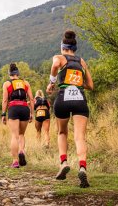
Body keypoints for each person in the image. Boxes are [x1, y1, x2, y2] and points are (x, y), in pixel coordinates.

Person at [46, 30, 94, 188]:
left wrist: (52, 82)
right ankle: (82, 167)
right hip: (80, 98)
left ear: (63, 46)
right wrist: (77, 84)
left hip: (63, 98)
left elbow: (54, 65)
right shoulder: (82, 61)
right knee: (80, 136)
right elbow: (90, 86)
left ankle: (64, 162)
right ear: (75, 48)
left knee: (62, 132)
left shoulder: (59, 58)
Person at [2, 63, 34, 168]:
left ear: (9, 74)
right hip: (25, 108)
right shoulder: (26, 83)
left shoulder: (7, 84)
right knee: (21, 135)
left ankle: (15, 161)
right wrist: (32, 113)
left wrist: (3, 114)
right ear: (18, 73)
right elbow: (31, 99)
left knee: (14, 136)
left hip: (13, 108)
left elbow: (5, 100)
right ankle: (21, 151)